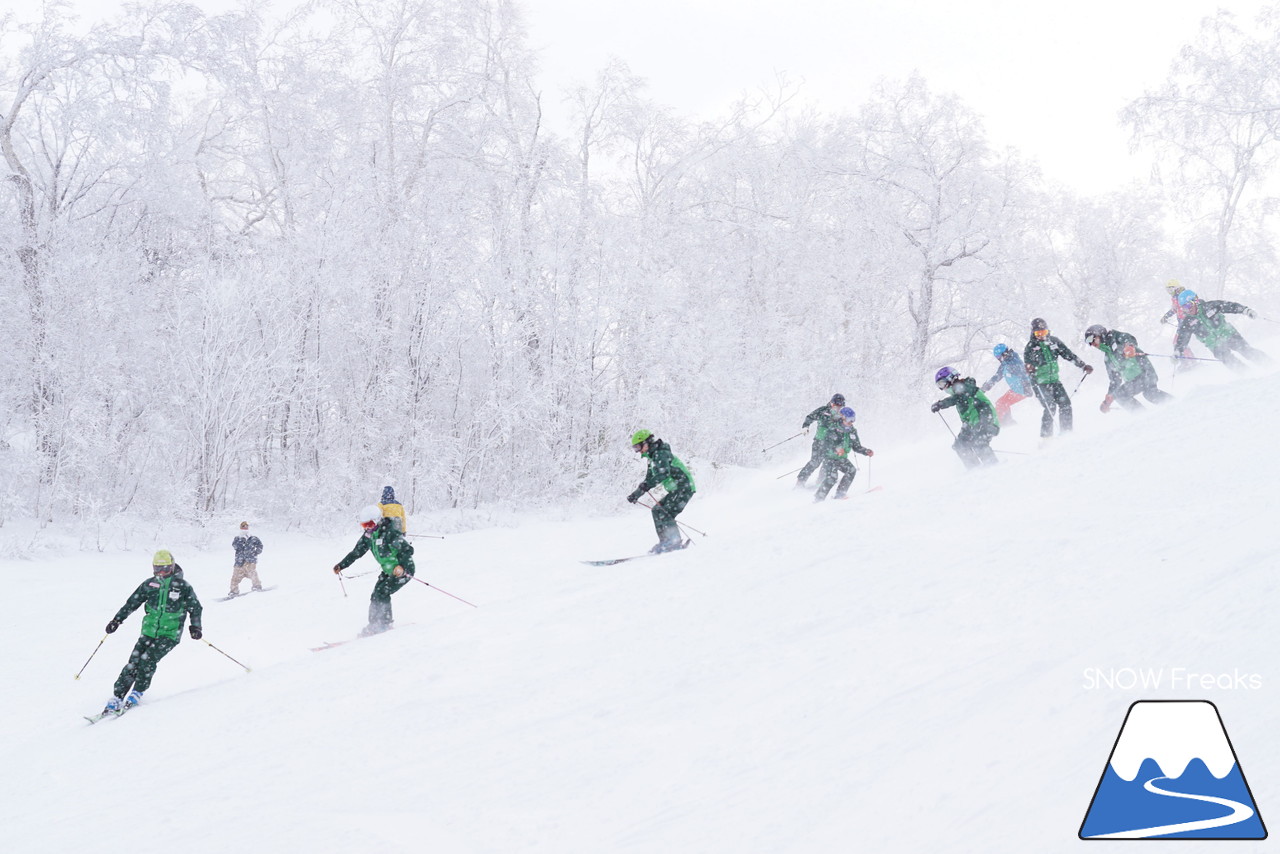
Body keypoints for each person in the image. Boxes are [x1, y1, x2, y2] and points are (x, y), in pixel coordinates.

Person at [100, 549, 203, 713]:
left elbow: (195, 608)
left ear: (172, 567)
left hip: (170, 634)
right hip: (148, 631)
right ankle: (117, 696)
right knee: (133, 662)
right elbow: (131, 603)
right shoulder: (149, 584)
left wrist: (196, 626)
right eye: (157, 569)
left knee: (147, 660)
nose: (161, 573)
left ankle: (137, 692)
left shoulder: (182, 586)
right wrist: (117, 620)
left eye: (165, 569)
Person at [332, 505, 416, 636]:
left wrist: (402, 567)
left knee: (383, 592)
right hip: (389, 571)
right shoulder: (369, 536)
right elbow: (356, 552)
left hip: (404, 569)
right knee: (375, 594)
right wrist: (341, 565)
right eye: (364, 525)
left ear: (377, 521)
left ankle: (385, 624)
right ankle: (374, 625)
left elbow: (407, 550)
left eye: (370, 524)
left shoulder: (390, 533)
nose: (367, 528)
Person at [626, 430, 696, 553]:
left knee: (665, 512)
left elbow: (663, 474)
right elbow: (649, 479)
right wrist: (635, 494)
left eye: (638, 447)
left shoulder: (661, 454)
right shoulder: (651, 458)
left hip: (684, 487)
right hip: (676, 488)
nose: (638, 451)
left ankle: (674, 542)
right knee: (657, 510)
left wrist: (646, 485)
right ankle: (665, 542)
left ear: (646, 442)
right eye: (635, 448)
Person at [1023, 317, 1093, 438]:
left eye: (1043, 332)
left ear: (1048, 331)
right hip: (1039, 383)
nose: (1041, 336)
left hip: (1054, 381)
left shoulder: (1054, 342)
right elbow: (1028, 366)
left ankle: (1066, 433)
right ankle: (1046, 439)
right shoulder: (1030, 347)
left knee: (1065, 404)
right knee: (1050, 407)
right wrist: (1029, 368)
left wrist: (1082, 365)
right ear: (1033, 333)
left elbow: (1068, 354)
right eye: (1038, 333)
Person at [1084, 324, 1174, 412]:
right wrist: (1108, 399)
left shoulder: (1115, 337)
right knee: (1149, 394)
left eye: (1092, 339)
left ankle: (1143, 415)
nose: (1092, 344)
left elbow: (1128, 338)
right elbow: (1115, 380)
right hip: (1133, 380)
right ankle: (1171, 405)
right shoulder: (1108, 358)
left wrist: (1129, 346)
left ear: (1100, 334)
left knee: (1122, 395)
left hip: (1145, 372)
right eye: (1088, 342)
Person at [1173, 290, 1268, 372]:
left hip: (1229, 335)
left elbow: (1229, 306)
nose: (1188, 309)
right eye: (1184, 307)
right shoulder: (1188, 322)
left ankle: (1270, 365)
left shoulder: (1210, 306)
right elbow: (1182, 338)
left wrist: (1245, 310)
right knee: (1230, 361)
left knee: (1247, 351)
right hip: (1214, 345)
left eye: (1189, 305)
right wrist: (1178, 351)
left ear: (1195, 301)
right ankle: (1249, 375)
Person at [931, 367, 999, 468]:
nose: (943, 388)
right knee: (960, 445)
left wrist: (941, 404)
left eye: (942, 383)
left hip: (986, 419)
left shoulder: (966, 386)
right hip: (972, 424)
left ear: (951, 378)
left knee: (978, 442)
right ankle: (974, 469)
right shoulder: (958, 391)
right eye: (939, 386)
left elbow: (957, 398)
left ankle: (993, 466)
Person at [814, 407, 874, 501]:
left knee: (851, 470)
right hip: (829, 458)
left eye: (853, 419)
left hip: (841, 458)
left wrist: (866, 451)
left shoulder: (852, 431)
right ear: (842, 417)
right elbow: (826, 444)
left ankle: (840, 495)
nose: (852, 422)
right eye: (850, 419)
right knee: (832, 478)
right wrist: (836, 449)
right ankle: (818, 498)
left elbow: (856, 446)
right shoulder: (833, 428)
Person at [796, 394, 846, 488]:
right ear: (831, 403)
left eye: (840, 405)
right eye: (835, 404)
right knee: (815, 461)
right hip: (820, 441)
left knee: (828, 462)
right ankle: (800, 482)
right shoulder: (823, 410)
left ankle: (820, 482)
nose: (837, 407)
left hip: (833, 443)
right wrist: (805, 426)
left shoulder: (842, 414)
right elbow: (810, 417)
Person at [981, 343, 1032, 425]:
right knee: (1001, 402)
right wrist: (986, 387)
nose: (998, 359)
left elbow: (1023, 373)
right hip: (1016, 389)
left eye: (998, 357)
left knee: (1002, 403)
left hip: (1023, 390)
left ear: (1004, 354)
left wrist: (1027, 386)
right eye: (997, 357)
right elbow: (997, 376)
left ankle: (1002, 424)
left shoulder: (1014, 362)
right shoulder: (1005, 363)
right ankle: (1008, 422)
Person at [1159, 280, 1198, 368]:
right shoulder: (1174, 298)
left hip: (1187, 321)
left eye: (1170, 290)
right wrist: (1166, 316)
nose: (1169, 292)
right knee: (1178, 342)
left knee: (1178, 342)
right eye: (1167, 290)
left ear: (1176, 288)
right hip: (1181, 322)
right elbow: (1174, 309)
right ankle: (1188, 361)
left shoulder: (1182, 295)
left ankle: (1188, 362)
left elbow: (1192, 305)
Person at [227, 521, 264, 597]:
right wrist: (241, 540)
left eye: (246, 526)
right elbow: (235, 546)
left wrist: (255, 552)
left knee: (252, 573)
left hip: (250, 561)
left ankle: (257, 586)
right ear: (240, 528)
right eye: (243, 527)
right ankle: (233, 591)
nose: (244, 528)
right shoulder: (237, 538)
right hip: (239, 561)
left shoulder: (253, 538)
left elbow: (260, 546)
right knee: (235, 577)